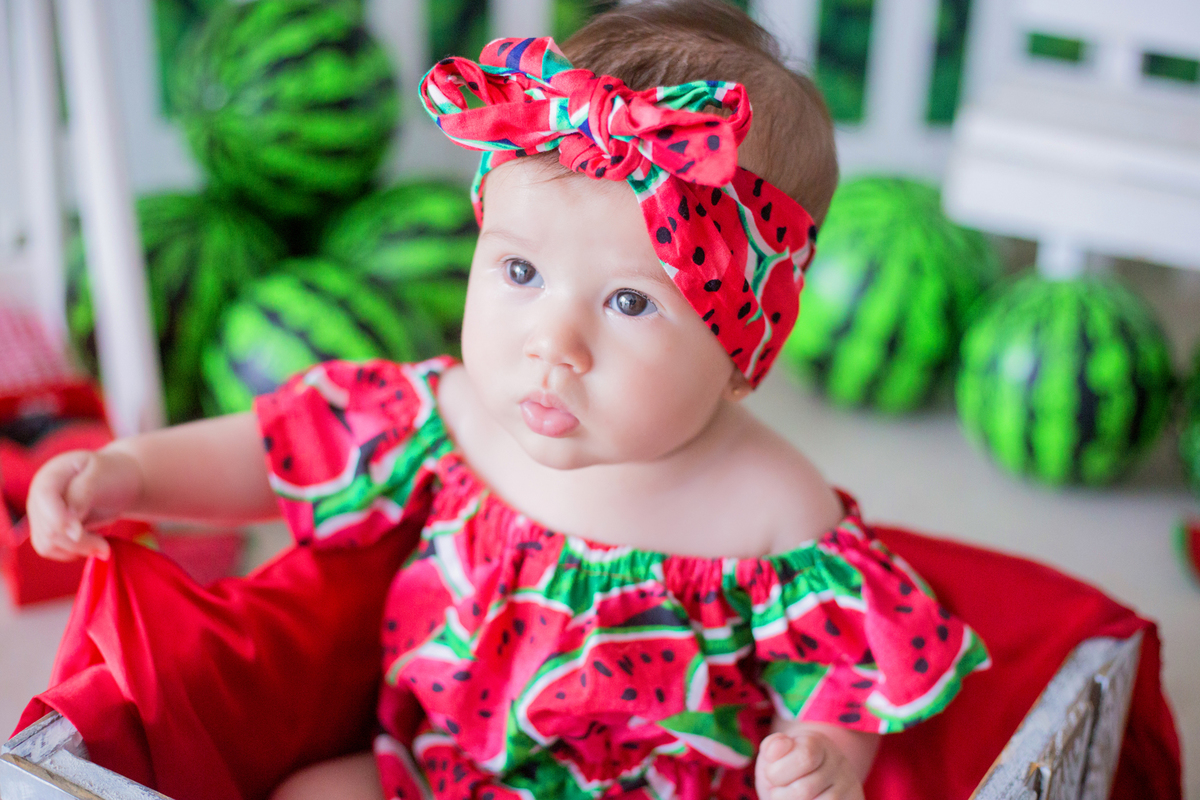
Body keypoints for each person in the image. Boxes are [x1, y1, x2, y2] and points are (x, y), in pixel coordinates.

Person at [26, 3, 989, 799]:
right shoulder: (449, 416)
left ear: (744, 346)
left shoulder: (774, 510)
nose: (553, 345)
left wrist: (823, 761)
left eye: (629, 302)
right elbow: (277, 452)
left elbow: (840, 675)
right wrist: (130, 473)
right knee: (308, 793)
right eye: (521, 270)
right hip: (427, 772)